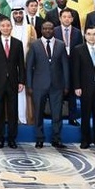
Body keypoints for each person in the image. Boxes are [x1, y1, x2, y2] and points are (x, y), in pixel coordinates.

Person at [26, 20, 69, 149]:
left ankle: (56, 139)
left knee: (57, 114)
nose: (48, 31)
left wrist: (66, 85)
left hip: (57, 85)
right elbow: (29, 67)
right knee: (38, 114)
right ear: (41, 30)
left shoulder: (61, 45)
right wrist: (29, 85)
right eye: (45, 28)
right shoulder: (35, 45)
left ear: (54, 30)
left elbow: (65, 67)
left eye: (50, 29)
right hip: (38, 85)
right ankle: (40, 139)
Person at [0, 17, 25, 148]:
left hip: (13, 82)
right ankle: (0, 138)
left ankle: (12, 138)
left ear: (11, 27)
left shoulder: (17, 43)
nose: (5, 28)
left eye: (8, 25)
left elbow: (21, 64)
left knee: (13, 111)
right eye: (3, 26)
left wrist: (21, 81)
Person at [56, 8, 83, 126]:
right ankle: (57, 117)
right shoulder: (54, 31)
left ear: (72, 19)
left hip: (73, 66)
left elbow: (80, 50)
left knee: (72, 94)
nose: (67, 19)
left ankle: (72, 117)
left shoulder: (77, 32)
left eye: (69, 17)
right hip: (58, 67)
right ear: (60, 18)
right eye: (64, 16)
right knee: (58, 93)